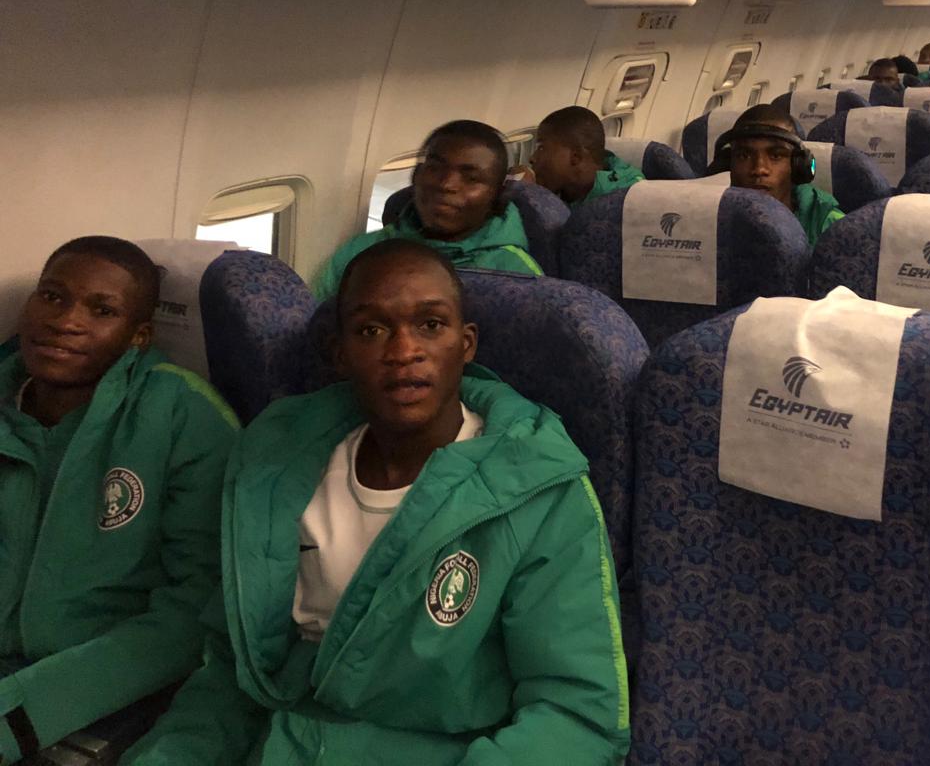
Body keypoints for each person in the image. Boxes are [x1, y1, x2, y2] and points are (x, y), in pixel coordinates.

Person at [124, 240, 630, 766]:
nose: (403, 350)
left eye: (430, 325)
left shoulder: (537, 489)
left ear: (466, 344)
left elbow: (575, 715)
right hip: (281, 741)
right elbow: (234, 670)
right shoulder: (275, 464)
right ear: (340, 354)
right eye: (371, 330)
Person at [0, 237, 237, 763]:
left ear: (138, 337)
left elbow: (196, 608)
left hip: (113, 685)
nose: (66, 321)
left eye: (102, 310)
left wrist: (20, 714)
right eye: (52, 296)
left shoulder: (183, 417)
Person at [313, 120, 542, 299]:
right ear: (416, 176)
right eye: (435, 168)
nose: (447, 184)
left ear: (497, 195)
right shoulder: (361, 252)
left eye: (471, 178)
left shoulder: (518, 274)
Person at [710, 105, 844, 246]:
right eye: (744, 156)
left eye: (776, 156)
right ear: (727, 165)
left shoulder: (831, 227)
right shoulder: (707, 217)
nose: (759, 169)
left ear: (798, 166)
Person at [524, 105, 644, 207]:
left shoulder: (625, 199)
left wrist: (529, 193)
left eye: (541, 148)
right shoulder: (567, 192)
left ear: (575, 157)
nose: (532, 158)